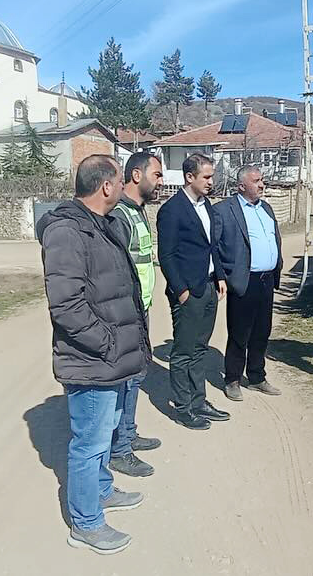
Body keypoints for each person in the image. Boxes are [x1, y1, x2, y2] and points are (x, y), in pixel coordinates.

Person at [35, 154, 151, 555]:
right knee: (89, 442)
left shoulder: (103, 224)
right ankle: (85, 524)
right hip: (92, 360)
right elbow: (66, 305)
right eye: (119, 181)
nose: (122, 188)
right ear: (106, 186)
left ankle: (102, 489)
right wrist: (108, 343)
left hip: (111, 359)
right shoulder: (67, 232)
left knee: (105, 432)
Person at [155, 153, 228, 430]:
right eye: (206, 177)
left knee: (200, 349)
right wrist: (181, 290)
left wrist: (220, 275)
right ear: (189, 177)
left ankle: (199, 401)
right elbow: (167, 255)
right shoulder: (172, 210)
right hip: (188, 291)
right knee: (184, 351)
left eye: (212, 176)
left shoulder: (207, 205)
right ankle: (183, 408)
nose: (211, 181)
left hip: (209, 286)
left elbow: (212, 245)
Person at [107, 151, 164, 478]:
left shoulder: (137, 211)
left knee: (137, 376)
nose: (161, 182)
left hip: (140, 309)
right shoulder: (119, 215)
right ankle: (119, 450)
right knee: (127, 380)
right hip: (126, 312)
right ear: (137, 175)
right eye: (157, 175)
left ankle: (128, 433)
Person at [212, 164, 283, 401]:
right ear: (241, 186)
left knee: (262, 331)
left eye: (261, 180)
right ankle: (232, 379)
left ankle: (256, 376)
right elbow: (214, 247)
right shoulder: (224, 210)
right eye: (256, 181)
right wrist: (221, 276)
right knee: (239, 333)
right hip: (244, 280)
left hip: (266, 279)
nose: (262, 184)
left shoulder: (266, 208)